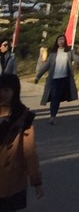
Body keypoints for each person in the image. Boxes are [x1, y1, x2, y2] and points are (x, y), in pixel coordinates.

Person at [0, 73, 44, 207]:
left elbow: (29, 152)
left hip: (12, 180)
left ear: (15, 91)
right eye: (0, 90)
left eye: (7, 90)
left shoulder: (24, 117)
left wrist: (36, 182)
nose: (2, 94)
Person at [34, 35, 77, 124]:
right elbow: (46, 66)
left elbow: (77, 59)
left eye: (63, 39)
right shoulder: (53, 54)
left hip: (64, 79)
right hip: (54, 79)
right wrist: (38, 76)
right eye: (59, 40)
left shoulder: (69, 52)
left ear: (65, 41)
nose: (61, 41)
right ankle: (52, 116)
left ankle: (53, 114)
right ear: (57, 42)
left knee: (58, 97)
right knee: (54, 97)